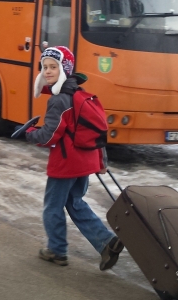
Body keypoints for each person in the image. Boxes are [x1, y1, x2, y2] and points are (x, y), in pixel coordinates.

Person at [20, 46, 123, 270]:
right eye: (44, 67)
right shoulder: (80, 94)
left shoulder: (59, 100)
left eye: (53, 67)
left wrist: (29, 134)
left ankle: (57, 250)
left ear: (64, 69)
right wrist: (101, 161)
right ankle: (106, 242)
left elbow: (50, 134)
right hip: (85, 161)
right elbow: (95, 132)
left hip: (66, 163)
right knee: (74, 203)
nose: (47, 71)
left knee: (52, 207)